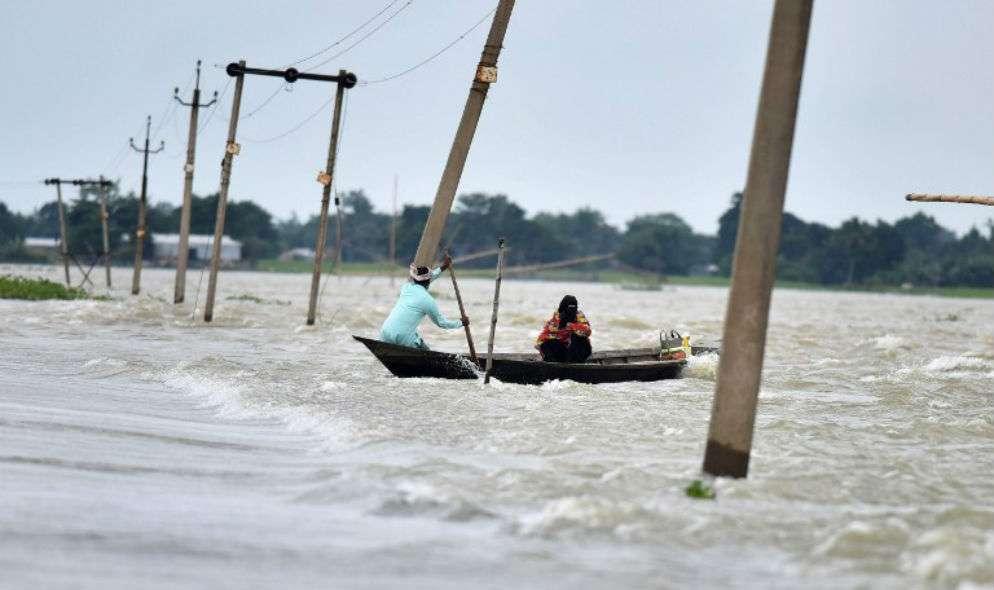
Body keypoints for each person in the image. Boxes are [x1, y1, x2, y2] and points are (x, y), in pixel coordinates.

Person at [380, 254, 467, 350]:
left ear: (414, 278)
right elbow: (442, 323)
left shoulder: (406, 287)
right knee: (428, 354)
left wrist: (443, 267)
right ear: (429, 280)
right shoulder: (428, 300)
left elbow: (428, 277)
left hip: (385, 333)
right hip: (403, 338)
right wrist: (461, 323)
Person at [535, 295, 592, 362]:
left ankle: (572, 362)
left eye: (573, 307)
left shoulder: (579, 315)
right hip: (563, 351)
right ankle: (553, 363)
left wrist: (571, 325)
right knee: (546, 344)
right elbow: (543, 338)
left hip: (579, 352)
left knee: (576, 337)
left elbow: (587, 331)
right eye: (569, 307)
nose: (571, 310)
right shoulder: (557, 317)